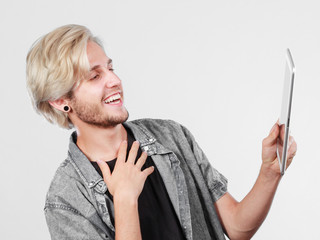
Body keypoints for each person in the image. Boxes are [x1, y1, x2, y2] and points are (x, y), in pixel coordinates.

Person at [26, 24, 297, 240]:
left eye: (110, 68)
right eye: (94, 76)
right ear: (62, 100)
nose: (115, 80)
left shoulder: (172, 137)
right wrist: (124, 199)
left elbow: (238, 228)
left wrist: (270, 172)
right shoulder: (66, 199)